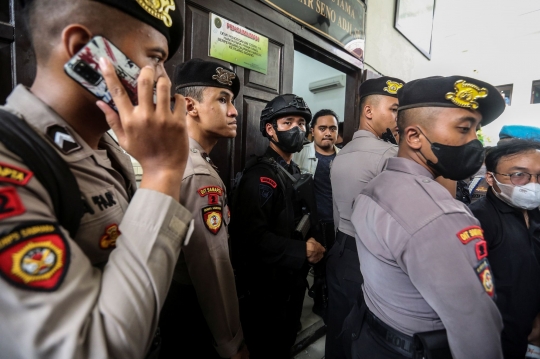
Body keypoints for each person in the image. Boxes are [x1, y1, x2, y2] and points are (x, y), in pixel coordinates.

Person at [0, 1, 193, 358]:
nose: (164, 79)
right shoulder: (10, 159)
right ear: (82, 50)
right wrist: (163, 172)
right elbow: (90, 348)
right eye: (154, 57)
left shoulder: (109, 148)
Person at [348, 76, 505, 358]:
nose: (474, 142)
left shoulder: (376, 186)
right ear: (414, 137)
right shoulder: (441, 218)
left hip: (371, 337)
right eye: (464, 129)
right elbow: (475, 330)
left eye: (476, 130)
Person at [158, 59, 248, 359]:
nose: (234, 111)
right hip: (192, 309)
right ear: (190, 106)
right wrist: (231, 342)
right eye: (222, 100)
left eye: (232, 101)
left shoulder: (171, 155)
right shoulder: (198, 173)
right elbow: (211, 265)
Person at [230, 94, 326, 358]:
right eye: (287, 122)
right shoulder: (260, 177)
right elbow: (250, 239)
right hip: (265, 292)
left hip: (290, 286)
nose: (297, 128)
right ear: (270, 130)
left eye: (301, 122)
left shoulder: (293, 170)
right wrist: (301, 251)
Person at [327, 76, 403, 359]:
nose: (399, 118)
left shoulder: (341, 154)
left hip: (340, 251)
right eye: (394, 110)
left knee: (338, 329)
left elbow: (337, 211)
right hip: (370, 257)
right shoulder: (389, 154)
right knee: (368, 337)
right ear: (369, 112)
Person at [469, 140, 540, 359]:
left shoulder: (535, 213)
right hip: (495, 339)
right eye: (519, 175)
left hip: (530, 330)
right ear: (490, 178)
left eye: (539, 176)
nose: (533, 185)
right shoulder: (478, 219)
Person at [293, 109, 340, 318]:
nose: (328, 133)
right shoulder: (299, 154)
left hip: (335, 224)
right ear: (312, 131)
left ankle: (323, 303)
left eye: (332, 128)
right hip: (309, 222)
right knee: (305, 265)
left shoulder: (344, 158)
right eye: (322, 128)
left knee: (330, 268)